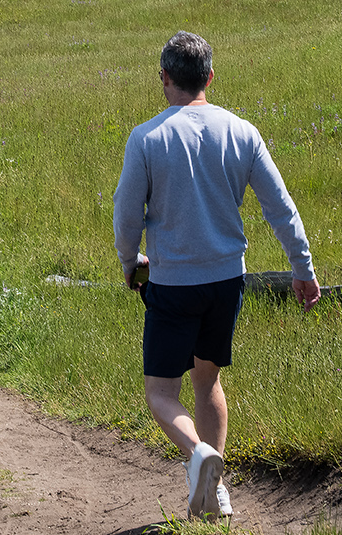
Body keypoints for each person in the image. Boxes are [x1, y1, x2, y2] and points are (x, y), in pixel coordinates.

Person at [113, 31, 321, 521]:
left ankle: (200, 455)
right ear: (210, 77)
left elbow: (126, 214)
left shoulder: (148, 137)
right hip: (227, 281)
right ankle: (217, 493)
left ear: (164, 79)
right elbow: (280, 207)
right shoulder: (242, 132)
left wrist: (130, 262)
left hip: (171, 282)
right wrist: (302, 268)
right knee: (207, 381)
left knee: (161, 393)